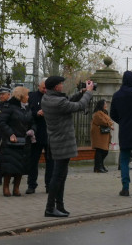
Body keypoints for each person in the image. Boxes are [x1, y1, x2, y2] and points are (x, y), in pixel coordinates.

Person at [40, 76, 94, 217]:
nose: (62, 85)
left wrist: (81, 92)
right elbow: (79, 106)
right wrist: (88, 93)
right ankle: (50, 208)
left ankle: (60, 206)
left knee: (61, 176)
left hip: (56, 141)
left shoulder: (48, 98)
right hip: (62, 142)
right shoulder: (57, 102)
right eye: (61, 84)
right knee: (58, 176)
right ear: (56, 86)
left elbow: (67, 100)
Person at [0, 85, 35, 196]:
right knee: (9, 165)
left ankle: (16, 188)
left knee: (21, 166)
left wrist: (32, 130)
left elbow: (32, 122)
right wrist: (10, 133)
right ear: (21, 96)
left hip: (24, 141)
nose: (28, 97)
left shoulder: (27, 108)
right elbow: (2, 122)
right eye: (27, 95)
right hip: (11, 142)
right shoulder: (9, 107)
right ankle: (6, 187)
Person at [25, 80, 53, 194]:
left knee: (50, 161)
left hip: (50, 133)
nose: (45, 90)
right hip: (36, 134)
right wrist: (37, 113)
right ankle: (31, 185)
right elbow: (27, 113)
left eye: (47, 88)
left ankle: (49, 185)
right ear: (38, 86)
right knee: (33, 161)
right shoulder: (32, 96)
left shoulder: (52, 97)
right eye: (43, 88)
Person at [91, 98, 113, 173]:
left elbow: (108, 121)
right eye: (105, 104)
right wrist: (109, 123)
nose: (106, 105)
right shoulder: (97, 113)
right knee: (100, 150)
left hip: (104, 134)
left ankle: (100, 165)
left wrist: (109, 123)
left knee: (104, 151)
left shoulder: (104, 112)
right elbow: (103, 122)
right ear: (101, 105)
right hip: (99, 134)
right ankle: (98, 167)